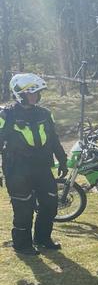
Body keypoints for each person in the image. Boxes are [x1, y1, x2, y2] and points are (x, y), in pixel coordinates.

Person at [0, 74, 68, 255]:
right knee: (23, 209)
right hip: (17, 171)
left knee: (50, 204)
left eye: (37, 93)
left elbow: (53, 138)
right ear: (19, 94)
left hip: (43, 168)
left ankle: (43, 238)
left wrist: (62, 159)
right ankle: (22, 246)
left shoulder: (45, 114)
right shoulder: (6, 115)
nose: (35, 96)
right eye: (31, 93)